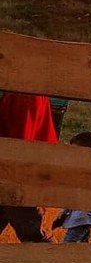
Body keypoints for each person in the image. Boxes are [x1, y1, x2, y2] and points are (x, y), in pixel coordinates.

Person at [0, 92, 57, 243]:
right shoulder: (23, 90)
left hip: (15, 179)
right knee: (35, 237)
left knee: (35, 237)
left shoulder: (22, 93)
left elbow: (19, 145)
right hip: (14, 177)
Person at [53, 132, 91, 243]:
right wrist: (62, 213)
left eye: (76, 150)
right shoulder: (80, 169)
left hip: (83, 217)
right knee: (82, 248)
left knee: (68, 248)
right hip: (79, 217)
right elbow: (73, 195)